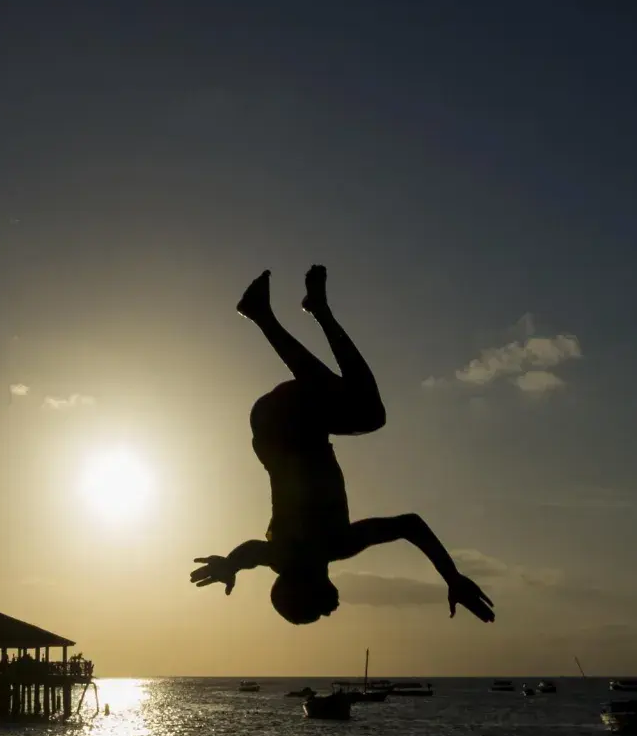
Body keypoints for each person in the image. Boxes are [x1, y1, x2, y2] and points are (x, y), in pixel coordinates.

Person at [189, 266, 495, 626]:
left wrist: (230, 563)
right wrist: (451, 576)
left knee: (368, 413)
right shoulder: (312, 550)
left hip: (281, 426)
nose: (331, 610)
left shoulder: (311, 550)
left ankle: (276, 314)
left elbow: (251, 553)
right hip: (284, 424)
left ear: (305, 586)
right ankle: (296, 312)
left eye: (318, 609)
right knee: (365, 409)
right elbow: (410, 525)